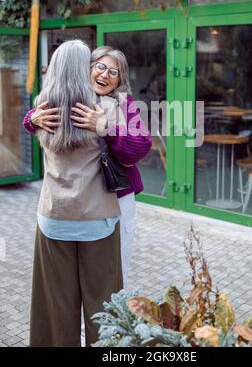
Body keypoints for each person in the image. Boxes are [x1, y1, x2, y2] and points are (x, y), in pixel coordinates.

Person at [23, 45, 152, 288]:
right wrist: (31, 119)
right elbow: (37, 117)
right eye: (100, 67)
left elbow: (140, 147)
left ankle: (107, 321)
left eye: (114, 72)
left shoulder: (123, 104)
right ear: (87, 68)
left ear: (119, 80)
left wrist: (107, 128)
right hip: (72, 205)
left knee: (114, 270)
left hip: (115, 196)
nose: (105, 75)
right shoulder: (68, 96)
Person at [25, 40, 123, 347]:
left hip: (54, 218)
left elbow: (29, 123)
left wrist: (30, 119)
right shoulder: (104, 107)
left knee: (55, 309)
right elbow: (134, 149)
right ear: (85, 69)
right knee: (105, 308)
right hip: (98, 220)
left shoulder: (41, 109)